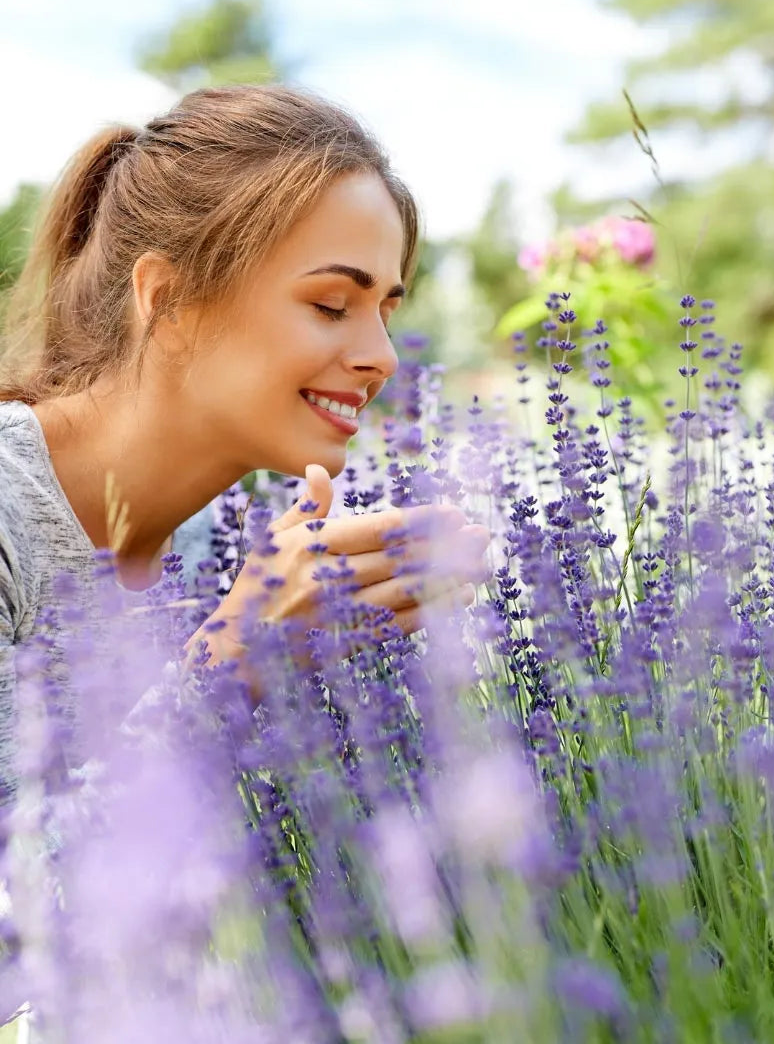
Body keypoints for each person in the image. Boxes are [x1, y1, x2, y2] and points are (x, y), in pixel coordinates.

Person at [0, 82, 491, 815]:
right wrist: (231, 662)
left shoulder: (229, 545)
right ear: (167, 300)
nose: (384, 358)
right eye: (331, 305)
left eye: (386, 313)